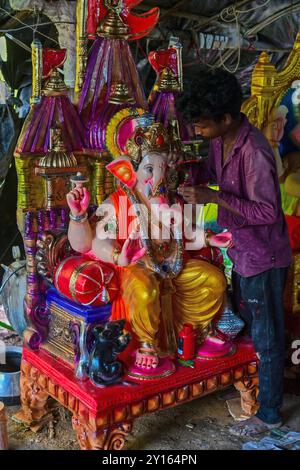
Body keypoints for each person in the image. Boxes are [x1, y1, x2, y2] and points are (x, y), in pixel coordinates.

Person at [177, 69, 292, 436]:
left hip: (264, 256)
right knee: (247, 325)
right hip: (241, 250)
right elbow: (212, 170)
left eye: (203, 125)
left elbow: (267, 212)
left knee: (267, 336)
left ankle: (270, 413)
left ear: (226, 118)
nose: (199, 131)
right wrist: (186, 170)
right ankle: (254, 392)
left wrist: (212, 196)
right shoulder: (220, 140)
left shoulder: (254, 150)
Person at [66, 121, 231, 371]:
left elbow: (185, 234)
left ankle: (198, 331)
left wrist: (210, 239)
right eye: (149, 169)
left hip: (172, 267)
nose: (158, 178)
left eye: (163, 169)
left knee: (212, 279)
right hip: (135, 267)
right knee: (145, 290)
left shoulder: (172, 201)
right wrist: (115, 251)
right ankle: (146, 343)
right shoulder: (119, 202)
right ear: (128, 172)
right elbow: (91, 242)